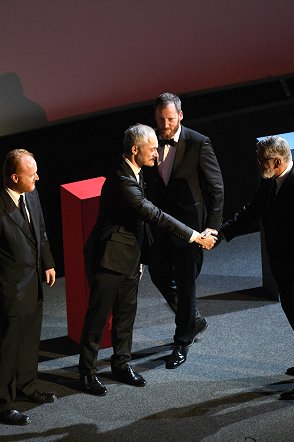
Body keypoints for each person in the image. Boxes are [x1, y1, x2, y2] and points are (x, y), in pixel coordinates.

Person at [79, 124, 216, 396]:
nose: (157, 153)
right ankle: (86, 372)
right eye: (152, 149)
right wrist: (194, 236)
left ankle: (121, 364)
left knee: (126, 315)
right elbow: (153, 215)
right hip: (108, 259)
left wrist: (140, 258)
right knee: (98, 316)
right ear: (135, 150)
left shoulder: (137, 172)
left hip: (129, 257)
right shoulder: (122, 180)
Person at [218, 135, 294, 400]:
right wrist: (223, 233)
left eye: (262, 160)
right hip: (284, 266)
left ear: (277, 161)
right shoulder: (273, 180)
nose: (259, 164)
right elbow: (254, 208)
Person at [0, 148, 57, 425]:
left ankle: (27, 387)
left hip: (33, 284)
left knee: (30, 341)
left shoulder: (31, 194)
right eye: (31, 173)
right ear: (14, 177)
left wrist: (48, 262)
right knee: (8, 349)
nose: (37, 177)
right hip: (10, 291)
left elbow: (41, 232)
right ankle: (0, 404)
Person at [142, 93, 224, 369]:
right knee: (159, 274)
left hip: (192, 227)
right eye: (160, 119)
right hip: (160, 224)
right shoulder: (149, 140)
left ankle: (182, 340)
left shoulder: (199, 143)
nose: (165, 124)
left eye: (170, 118)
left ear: (180, 116)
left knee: (187, 283)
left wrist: (212, 228)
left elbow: (216, 188)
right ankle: (193, 320)